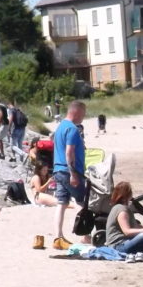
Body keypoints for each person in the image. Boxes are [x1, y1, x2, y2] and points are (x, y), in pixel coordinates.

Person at [52, 100, 87, 249]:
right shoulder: (72, 129)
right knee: (81, 202)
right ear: (77, 112)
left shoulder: (60, 127)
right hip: (69, 171)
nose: (83, 117)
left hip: (58, 170)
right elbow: (69, 152)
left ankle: (58, 237)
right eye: (83, 114)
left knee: (62, 203)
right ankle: (86, 236)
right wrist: (73, 173)